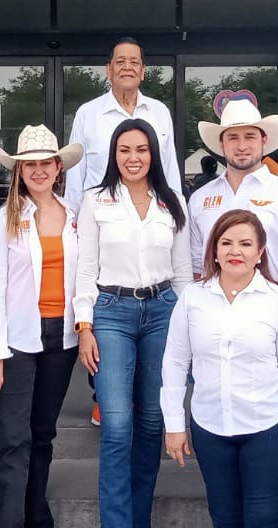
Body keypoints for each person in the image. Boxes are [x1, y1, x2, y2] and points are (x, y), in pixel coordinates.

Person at [161, 209, 278, 528]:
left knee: (265, 518)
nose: (235, 251)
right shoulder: (192, 297)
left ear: (260, 252)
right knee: (224, 516)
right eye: (226, 242)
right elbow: (175, 362)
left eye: (245, 244)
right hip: (210, 425)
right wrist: (174, 425)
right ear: (214, 250)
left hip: (268, 425)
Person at [74, 118, 191, 528]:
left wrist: (187, 329)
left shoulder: (172, 200)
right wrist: (84, 326)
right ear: (114, 155)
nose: (133, 157)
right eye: (124, 150)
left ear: (153, 154)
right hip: (111, 311)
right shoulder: (96, 200)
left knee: (152, 420)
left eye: (141, 149)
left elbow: (183, 272)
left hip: (163, 310)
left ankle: (138, 519)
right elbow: (85, 267)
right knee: (117, 422)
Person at [0, 123, 82, 528]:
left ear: (58, 167)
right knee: (13, 437)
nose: (38, 170)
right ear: (19, 171)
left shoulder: (76, 215)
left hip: (63, 336)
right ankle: (8, 520)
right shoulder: (5, 218)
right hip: (18, 339)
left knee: (43, 433)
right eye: (29, 165)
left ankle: (37, 515)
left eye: (45, 163)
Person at [186, 99, 278, 295]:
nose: (242, 146)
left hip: (271, 308)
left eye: (250, 136)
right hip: (212, 307)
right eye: (233, 137)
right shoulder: (200, 198)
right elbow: (196, 263)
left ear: (263, 140)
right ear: (222, 143)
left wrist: (272, 302)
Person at [64, 37, 179, 211]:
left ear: (142, 71)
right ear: (109, 70)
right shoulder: (87, 113)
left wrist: (176, 210)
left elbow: (170, 170)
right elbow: (75, 176)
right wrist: (74, 217)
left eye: (134, 62)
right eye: (120, 62)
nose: (127, 67)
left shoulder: (159, 112)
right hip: (100, 216)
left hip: (152, 216)